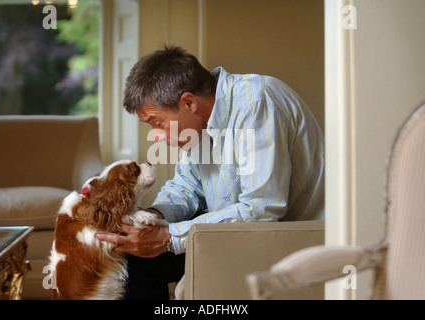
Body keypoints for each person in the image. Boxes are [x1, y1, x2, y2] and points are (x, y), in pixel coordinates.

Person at [96, 44, 324, 300]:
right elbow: (185, 189)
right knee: (131, 255)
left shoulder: (256, 103)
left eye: (157, 123)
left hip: (290, 241)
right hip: (237, 238)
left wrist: (166, 237)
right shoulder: (199, 127)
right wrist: (150, 218)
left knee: (158, 250)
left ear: (189, 102)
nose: (157, 137)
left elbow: (261, 210)